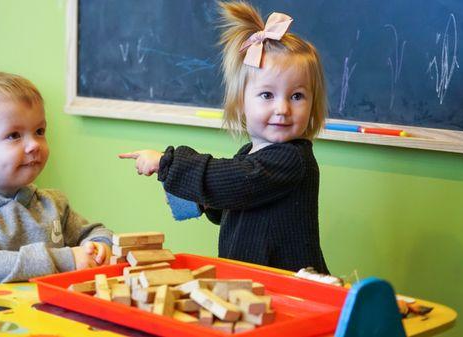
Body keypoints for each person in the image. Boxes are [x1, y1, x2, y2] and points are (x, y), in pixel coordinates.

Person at [119, 1, 329, 274]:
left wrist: (167, 163)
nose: (283, 109)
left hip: (289, 289)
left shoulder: (292, 158)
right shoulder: (248, 155)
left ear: (312, 104)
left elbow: (238, 181)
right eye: (267, 95)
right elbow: (236, 200)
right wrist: (206, 204)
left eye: (297, 96)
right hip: (255, 282)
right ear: (241, 103)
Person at [0, 71, 113, 302]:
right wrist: (65, 260)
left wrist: (98, 246)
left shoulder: (52, 204)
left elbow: (94, 232)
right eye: (14, 135)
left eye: (39, 131)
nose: (34, 145)